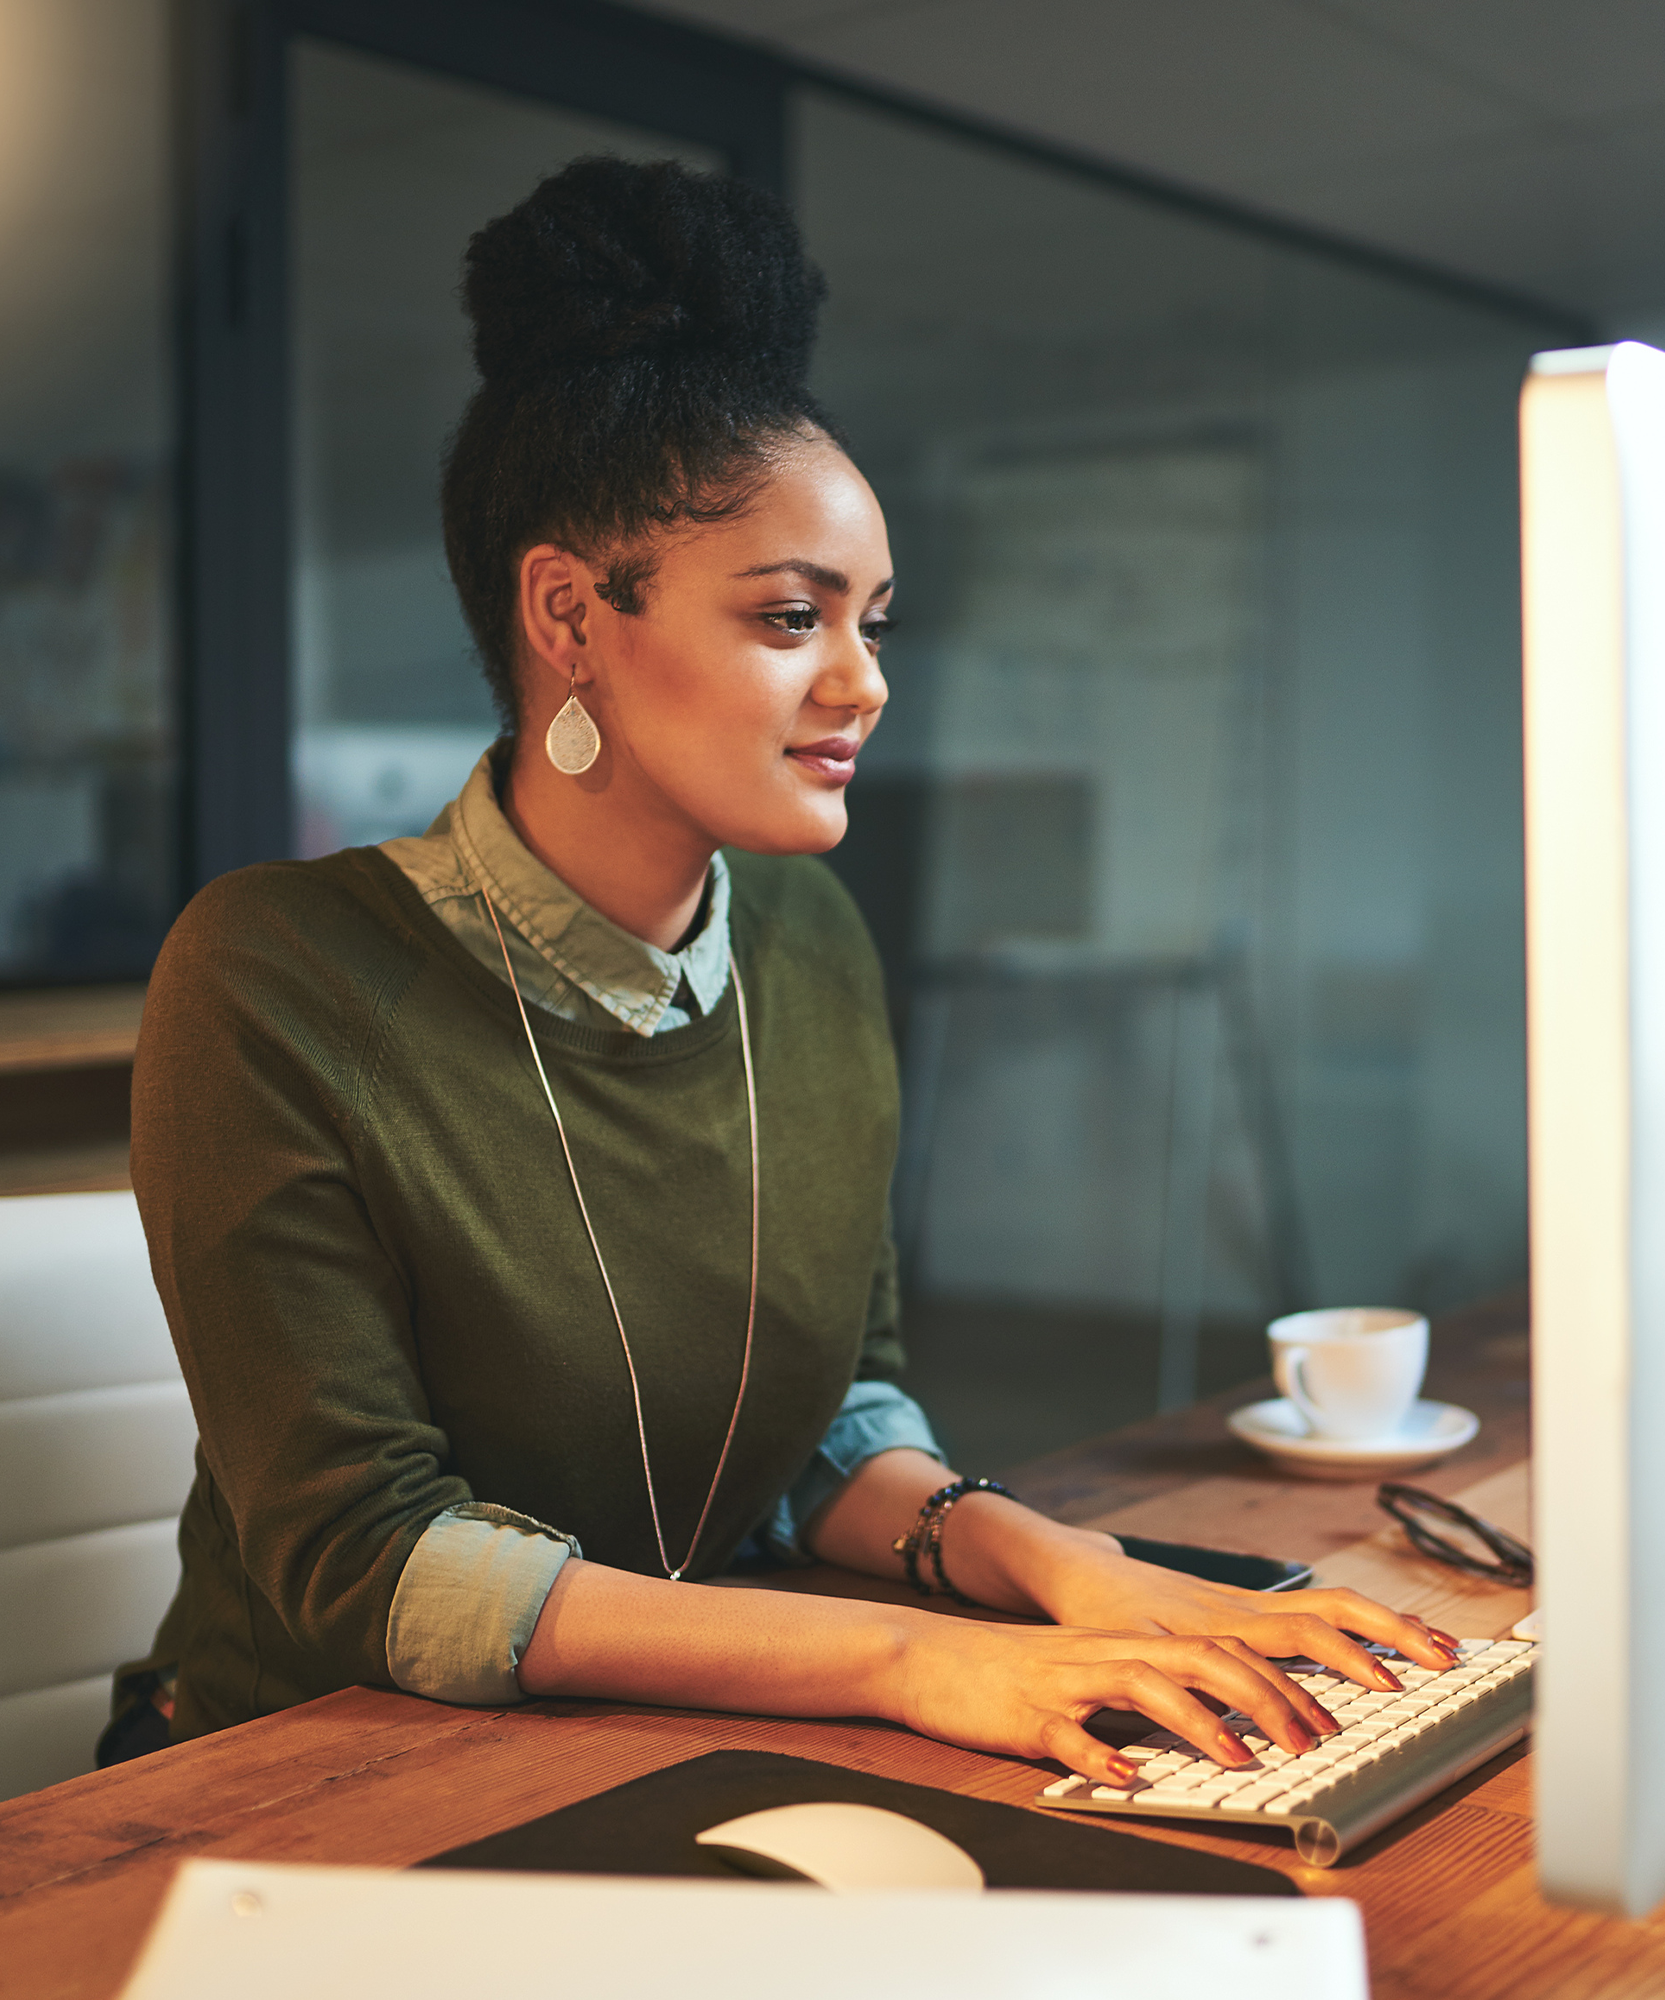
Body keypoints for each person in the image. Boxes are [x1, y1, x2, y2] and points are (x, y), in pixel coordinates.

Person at [110, 157, 1456, 1785]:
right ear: (570, 616)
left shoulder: (809, 941)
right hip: (303, 1778)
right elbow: (368, 1564)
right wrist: (908, 1659)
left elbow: (829, 1421)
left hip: (682, 1718)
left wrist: (1061, 1571)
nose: (864, 681)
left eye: (875, 620)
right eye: (789, 618)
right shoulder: (275, 975)